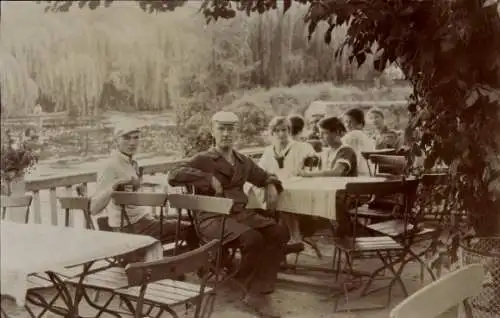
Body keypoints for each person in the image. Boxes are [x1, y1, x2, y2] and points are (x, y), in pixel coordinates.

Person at [168, 111, 289, 318]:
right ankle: (248, 285)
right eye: (221, 129)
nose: (226, 134)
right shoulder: (204, 159)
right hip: (211, 218)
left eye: (230, 129)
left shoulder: (243, 161)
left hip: (240, 215)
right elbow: (174, 175)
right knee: (253, 239)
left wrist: (269, 183)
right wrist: (207, 178)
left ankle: (256, 288)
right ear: (212, 132)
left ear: (236, 133)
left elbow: (265, 175)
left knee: (279, 232)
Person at [90, 124, 179, 244]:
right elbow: (94, 208)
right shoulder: (110, 165)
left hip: (141, 220)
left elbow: (131, 184)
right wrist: (115, 185)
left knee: (186, 218)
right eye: (126, 138)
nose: (132, 143)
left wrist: (158, 184)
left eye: (136, 137)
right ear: (116, 140)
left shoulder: (130, 162)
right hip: (131, 227)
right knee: (190, 225)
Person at [258, 116, 315, 249]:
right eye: (277, 131)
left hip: (299, 189)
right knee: (259, 192)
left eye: (284, 130)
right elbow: (260, 170)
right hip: (276, 189)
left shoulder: (302, 147)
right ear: (272, 133)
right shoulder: (268, 151)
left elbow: (311, 168)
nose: (281, 134)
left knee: (283, 195)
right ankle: (274, 236)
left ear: (289, 130)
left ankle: (294, 236)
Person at [341, 108, 375, 175]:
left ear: (360, 123)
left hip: (356, 175)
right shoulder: (368, 138)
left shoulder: (351, 136)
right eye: (346, 122)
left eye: (350, 122)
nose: (347, 125)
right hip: (369, 174)